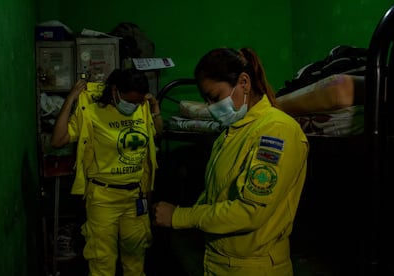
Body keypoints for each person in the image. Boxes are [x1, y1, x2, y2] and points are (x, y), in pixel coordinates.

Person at [153, 47, 309, 275]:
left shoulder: (276, 130)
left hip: (253, 267)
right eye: (206, 100)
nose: (211, 107)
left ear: (244, 82)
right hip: (221, 261)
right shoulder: (232, 132)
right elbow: (215, 194)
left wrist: (179, 216)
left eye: (215, 97)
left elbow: (249, 212)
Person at [51, 68, 162, 276]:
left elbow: (156, 133)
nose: (134, 106)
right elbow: (57, 140)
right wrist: (71, 98)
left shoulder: (141, 107)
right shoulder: (91, 113)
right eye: (130, 101)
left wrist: (154, 106)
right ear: (115, 91)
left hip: (134, 197)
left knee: (136, 259)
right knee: (102, 261)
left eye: (138, 102)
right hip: (103, 198)